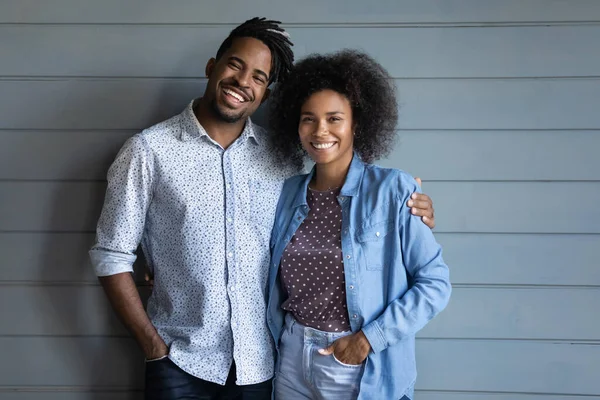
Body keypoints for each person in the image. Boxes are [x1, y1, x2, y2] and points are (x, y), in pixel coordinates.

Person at [89, 18, 436, 400]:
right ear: (212, 67)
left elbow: (347, 203)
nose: (243, 82)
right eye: (235, 65)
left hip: (260, 365)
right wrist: (154, 348)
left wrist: (411, 206)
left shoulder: (282, 161)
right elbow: (111, 255)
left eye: (258, 76)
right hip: (181, 361)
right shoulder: (149, 151)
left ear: (266, 95)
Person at [266, 50, 452, 400]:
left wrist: (368, 341)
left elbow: (435, 283)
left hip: (355, 364)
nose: (320, 130)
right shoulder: (286, 194)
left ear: (357, 124)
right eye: (309, 119)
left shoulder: (394, 190)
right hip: (290, 360)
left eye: (334, 118)